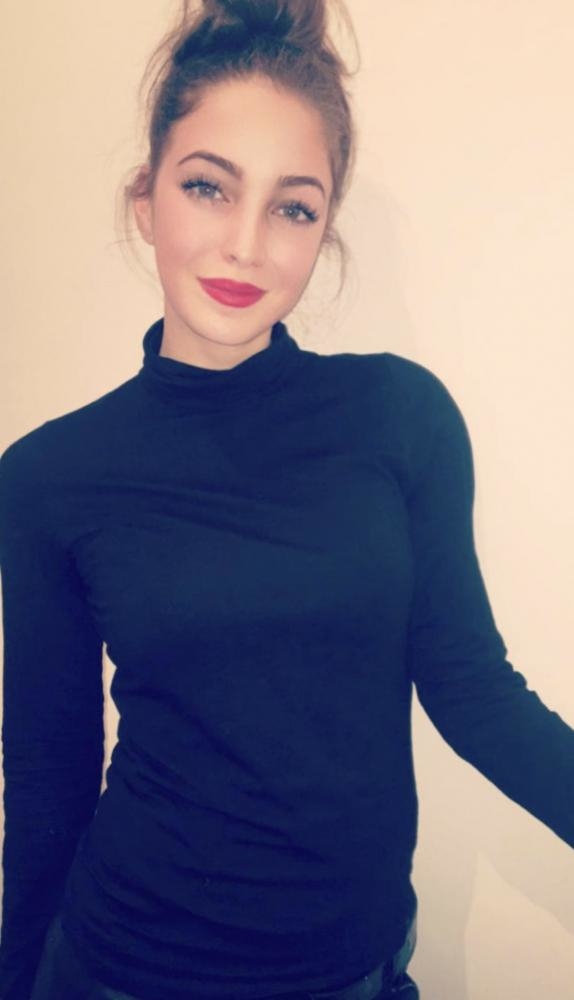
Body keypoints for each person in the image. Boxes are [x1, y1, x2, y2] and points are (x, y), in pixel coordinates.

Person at [0, 1, 572, 998]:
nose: (246, 245)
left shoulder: (399, 416)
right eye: (208, 188)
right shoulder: (49, 474)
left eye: (292, 207)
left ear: (323, 229)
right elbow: (50, 780)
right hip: (127, 970)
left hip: (355, 972)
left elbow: (474, 691)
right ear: (147, 202)